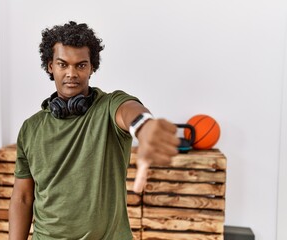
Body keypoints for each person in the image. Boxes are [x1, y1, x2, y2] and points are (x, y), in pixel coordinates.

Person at [9, 21, 180, 240]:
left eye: (80, 65)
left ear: (92, 67)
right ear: (50, 66)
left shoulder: (110, 106)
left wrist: (144, 128)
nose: (72, 73)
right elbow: (22, 197)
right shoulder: (31, 128)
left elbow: (130, 112)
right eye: (63, 64)